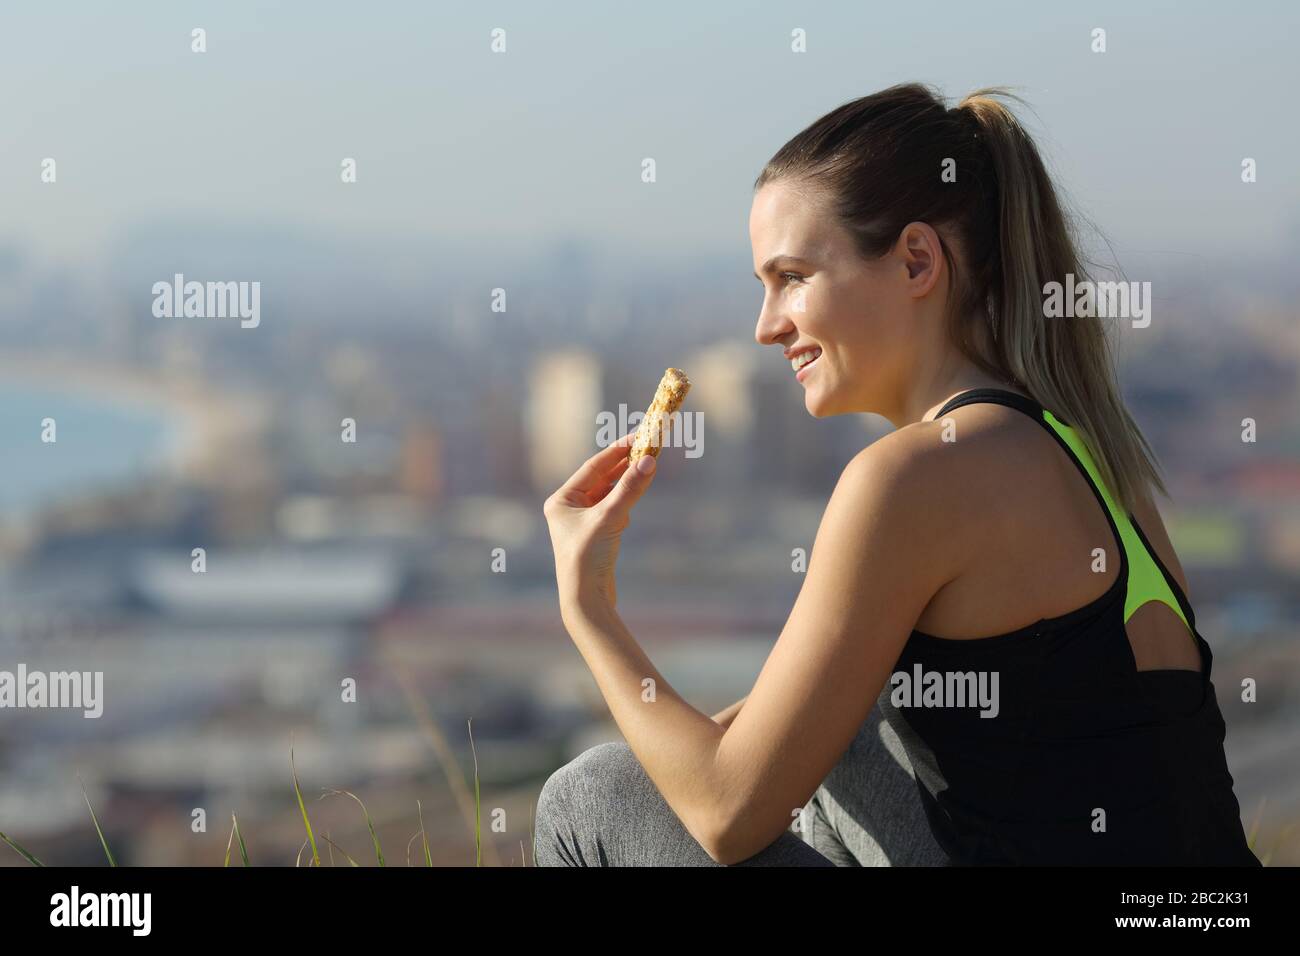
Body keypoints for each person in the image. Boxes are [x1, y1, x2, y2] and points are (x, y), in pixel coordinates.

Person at [535, 82, 1261, 866]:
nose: (766, 325)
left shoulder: (912, 478)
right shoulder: (1099, 458)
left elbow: (726, 811)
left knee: (591, 794)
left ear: (917, 259)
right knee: (846, 743)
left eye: (793, 278)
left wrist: (589, 607)